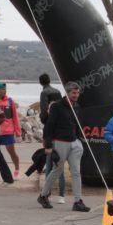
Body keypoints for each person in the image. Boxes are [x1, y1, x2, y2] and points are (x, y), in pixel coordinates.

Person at [37, 82, 90, 212]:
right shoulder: (57, 106)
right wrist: (48, 145)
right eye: (74, 93)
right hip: (60, 142)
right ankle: (43, 195)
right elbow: (49, 126)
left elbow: (78, 125)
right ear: (67, 93)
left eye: (78, 93)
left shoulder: (77, 106)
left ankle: (78, 201)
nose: (76, 95)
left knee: (76, 172)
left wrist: (80, 140)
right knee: (57, 170)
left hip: (74, 143)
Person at [38, 73, 65, 203]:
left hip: (50, 127)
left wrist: (44, 121)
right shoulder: (58, 91)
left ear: (40, 82)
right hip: (59, 127)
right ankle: (61, 195)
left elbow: (44, 111)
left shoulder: (44, 93)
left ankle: (47, 193)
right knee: (59, 161)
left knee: (50, 162)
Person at [0, 83, 21, 180]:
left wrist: (18, 133)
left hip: (8, 132)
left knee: (12, 152)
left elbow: (15, 117)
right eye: (2, 89)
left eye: (5, 89)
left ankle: (17, 170)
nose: (4, 91)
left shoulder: (10, 101)